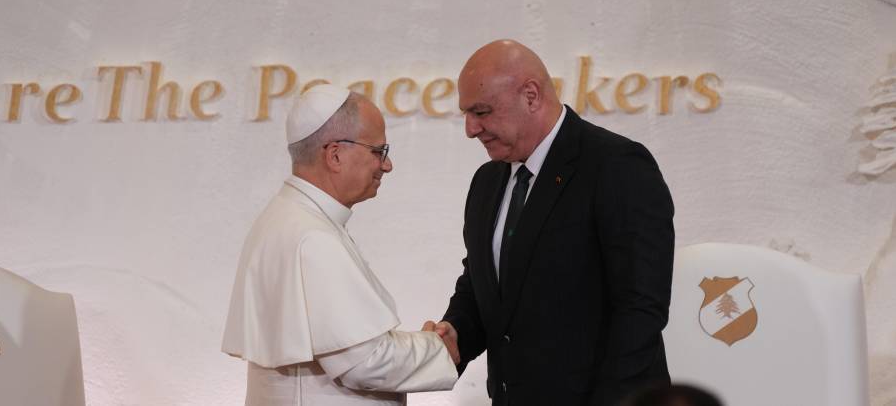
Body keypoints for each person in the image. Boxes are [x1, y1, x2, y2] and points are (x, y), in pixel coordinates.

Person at [427, 40, 675, 406]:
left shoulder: (617, 166)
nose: (470, 129)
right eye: (466, 113)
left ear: (531, 95)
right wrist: (453, 336)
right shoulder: (486, 182)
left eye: (481, 111)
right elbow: (483, 289)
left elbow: (640, 310)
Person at [223, 84, 458, 406]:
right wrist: (438, 348)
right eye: (379, 152)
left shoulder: (289, 218)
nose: (386, 166)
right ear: (335, 155)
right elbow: (366, 362)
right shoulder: (312, 236)